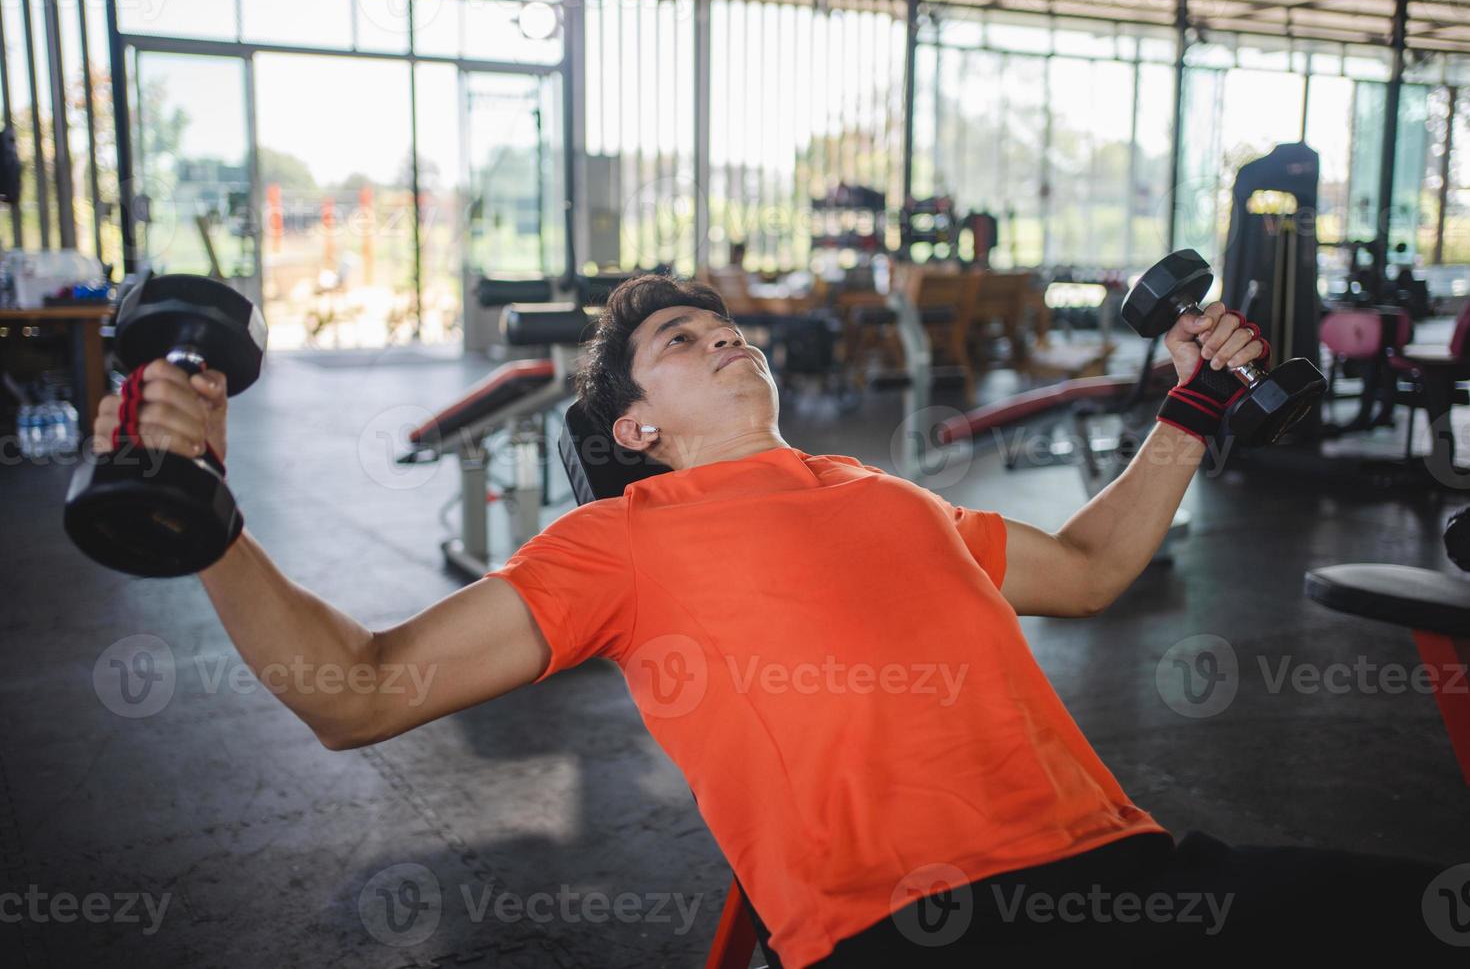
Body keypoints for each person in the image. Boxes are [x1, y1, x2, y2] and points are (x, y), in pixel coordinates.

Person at [93, 275, 1456, 966]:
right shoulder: (616, 543)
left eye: (720, 325)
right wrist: (206, 510)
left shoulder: (889, 495)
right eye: (678, 341)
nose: (721, 338)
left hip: (1140, 873)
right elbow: (356, 692)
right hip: (920, 928)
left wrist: (1190, 409)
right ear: (634, 427)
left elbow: (1093, 569)